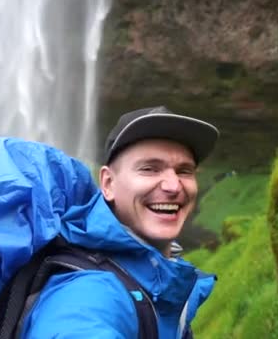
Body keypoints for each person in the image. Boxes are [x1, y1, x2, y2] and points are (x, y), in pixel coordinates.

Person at [18, 106, 220, 338]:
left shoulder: (164, 277)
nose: (173, 186)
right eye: (150, 169)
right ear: (108, 184)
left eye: (184, 171)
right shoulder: (86, 293)